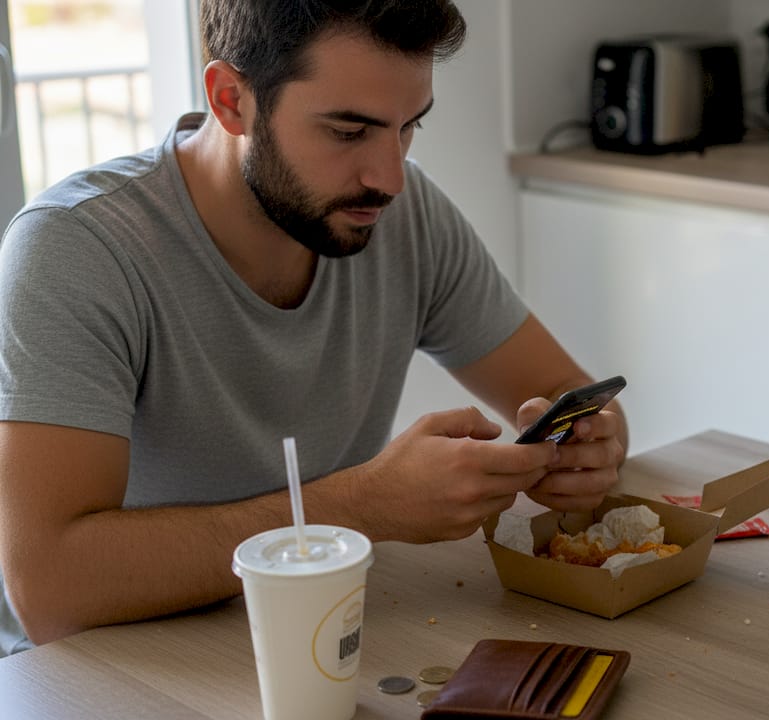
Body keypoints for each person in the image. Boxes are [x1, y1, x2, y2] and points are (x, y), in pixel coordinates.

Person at [0, 0, 627, 655]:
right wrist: (363, 505)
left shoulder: (404, 216)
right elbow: (49, 590)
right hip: (106, 676)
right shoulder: (77, 250)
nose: (389, 178)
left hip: (320, 641)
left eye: (408, 127)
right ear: (231, 100)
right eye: (349, 132)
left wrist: (592, 447)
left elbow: (567, 391)